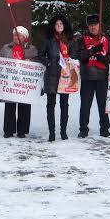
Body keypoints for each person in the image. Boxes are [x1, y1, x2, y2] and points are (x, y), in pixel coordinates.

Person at [38, 14, 76, 142]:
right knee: (51, 104)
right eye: (57, 24)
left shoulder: (70, 40)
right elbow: (40, 55)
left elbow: (74, 56)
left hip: (65, 75)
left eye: (61, 24)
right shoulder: (48, 40)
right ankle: (52, 133)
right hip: (51, 75)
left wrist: (71, 61)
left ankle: (63, 132)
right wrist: (48, 62)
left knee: (64, 104)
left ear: (64, 26)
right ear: (53, 26)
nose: (59, 26)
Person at [0, 26, 38, 138]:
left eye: (19, 35)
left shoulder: (31, 49)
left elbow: (38, 62)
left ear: (25, 37)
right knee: (9, 107)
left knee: (24, 106)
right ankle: (8, 130)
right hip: (10, 82)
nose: (16, 37)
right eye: (14, 35)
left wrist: (30, 61)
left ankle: (22, 130)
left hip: (25, 83)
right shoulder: (6, 48)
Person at [76, 14, 110, 138]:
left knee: (103, 106)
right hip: (88, 77)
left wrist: (104, 59)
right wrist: (92, 50)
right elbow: (80, 56)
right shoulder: (81, 39)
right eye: (91, 25)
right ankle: (83, 129)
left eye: (95, 25)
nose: (93, 27)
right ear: (88, 27)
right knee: (85, 105)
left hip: (102, 77)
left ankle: (105, 129)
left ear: (99, 25)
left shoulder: (105, 39)